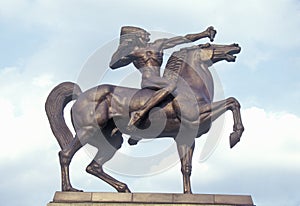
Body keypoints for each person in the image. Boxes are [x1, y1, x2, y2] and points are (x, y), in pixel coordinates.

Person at [109, 26, 216, 132]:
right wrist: (123, 47)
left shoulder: (157, 45)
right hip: (149, 80)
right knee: (172, 85)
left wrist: (203, 34)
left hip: (160, 81)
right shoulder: (134, 52)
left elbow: (182, 39)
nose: (148, 36)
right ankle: (139, 114)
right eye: (144, 34)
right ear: (136, 37)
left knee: (174, 92)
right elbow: (113, 64)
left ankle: (138, 134)